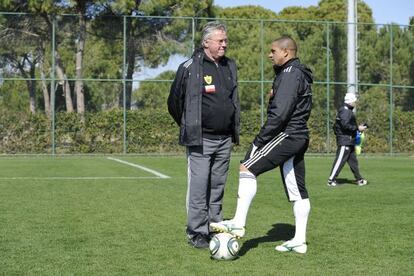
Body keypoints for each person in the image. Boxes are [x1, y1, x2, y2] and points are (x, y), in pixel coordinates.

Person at [210, 36, 313, 254]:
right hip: (299, 135)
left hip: (288, 134)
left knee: (247, 167)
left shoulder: (289, 74)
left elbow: (280, 114)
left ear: (286, 52)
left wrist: (260, 139)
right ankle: (299, 241)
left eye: (273, 50)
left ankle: (238, 222)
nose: (270, 54)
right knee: (297, 190)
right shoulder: (296, 73)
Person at [167, 21, 240, 249]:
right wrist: (190, 124)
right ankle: (196, 232)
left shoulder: (230, 66)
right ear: (206, 42)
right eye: (220, 41)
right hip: (201, 139)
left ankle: (214, 227)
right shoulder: (189, 66)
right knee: (199, 187)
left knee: (217, 186)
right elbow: (174, 102)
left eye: (225, 41)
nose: (224, 45)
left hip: (224, 139)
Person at [327, 93, 368, 187]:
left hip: (349, 140)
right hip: (345, 140)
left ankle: (359, 179)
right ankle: (331, 180)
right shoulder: (345, 111)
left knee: (353, 162)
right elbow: (344, 125)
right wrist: (358, 128)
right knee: (340, 160)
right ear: (350, 101)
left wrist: (357, 128)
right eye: (354, 101)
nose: (356, 102)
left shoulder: (346, 110)